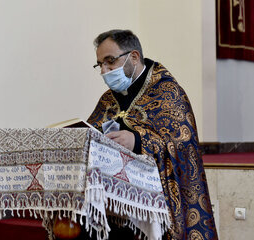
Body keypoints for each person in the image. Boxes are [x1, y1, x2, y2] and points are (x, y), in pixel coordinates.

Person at [87, 29, 218, 240]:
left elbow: (182, 143)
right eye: (100, 64)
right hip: (114, 203)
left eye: (110, 61)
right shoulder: (107, 100)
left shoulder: (167, 91)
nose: (104, 70)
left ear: (134, 57)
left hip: (157, 200)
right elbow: (92, 131)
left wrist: (137, 140)